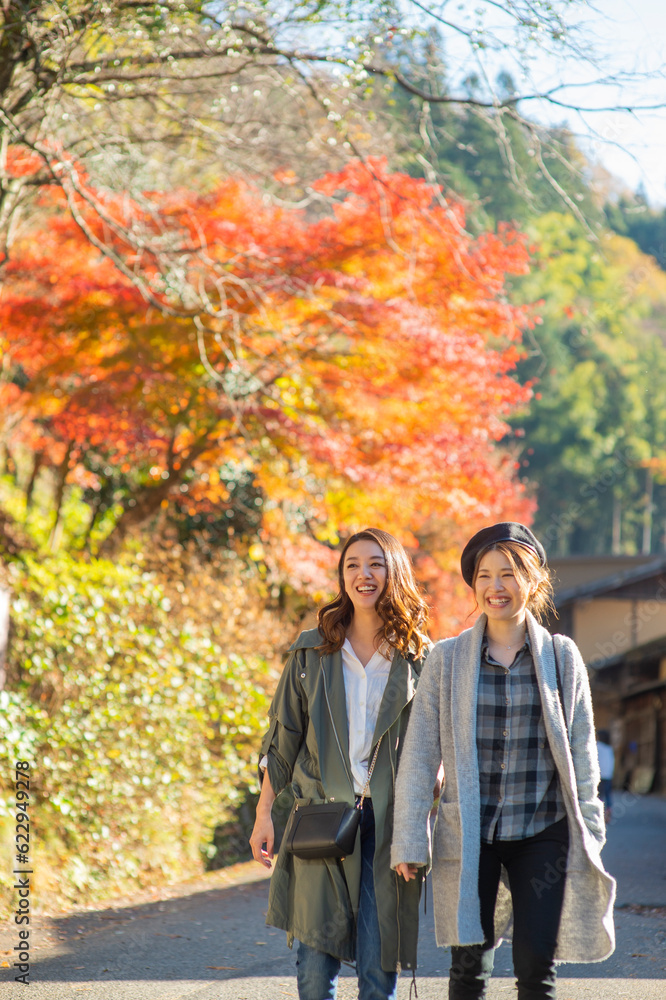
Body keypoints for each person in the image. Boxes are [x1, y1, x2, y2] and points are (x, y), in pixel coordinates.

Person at [391, 521, 616, 1000]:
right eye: (486, 576)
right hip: (472, 832)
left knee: (538, 967)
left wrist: (590, 826)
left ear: (534, 581)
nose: (497, 587)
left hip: (543, 829)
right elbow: (419, 753)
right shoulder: (447, 660)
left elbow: (581, 748)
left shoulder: (561, 656)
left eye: (510, 574)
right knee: (469, 968)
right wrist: (410, 837)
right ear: (473, 585)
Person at [249, 528, 430, 1000]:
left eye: (375, 564)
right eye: (352, 565)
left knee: (377, 970)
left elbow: (435, 746)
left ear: (394, 571)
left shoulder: (420, 658)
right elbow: (282, 739)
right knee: (313, 973)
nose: (363, 575)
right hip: (320, 817)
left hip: (389, 826)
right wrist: (264, 813)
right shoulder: (313, 651)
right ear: (342, 575)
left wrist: (424, 818)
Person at [596, 729, 615, 823]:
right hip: (608, 775)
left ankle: (600, 813)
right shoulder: (609, 748)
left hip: (600, 775)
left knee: (599, 795)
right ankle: (608, 811)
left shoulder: (597, 746)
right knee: (607, 795)